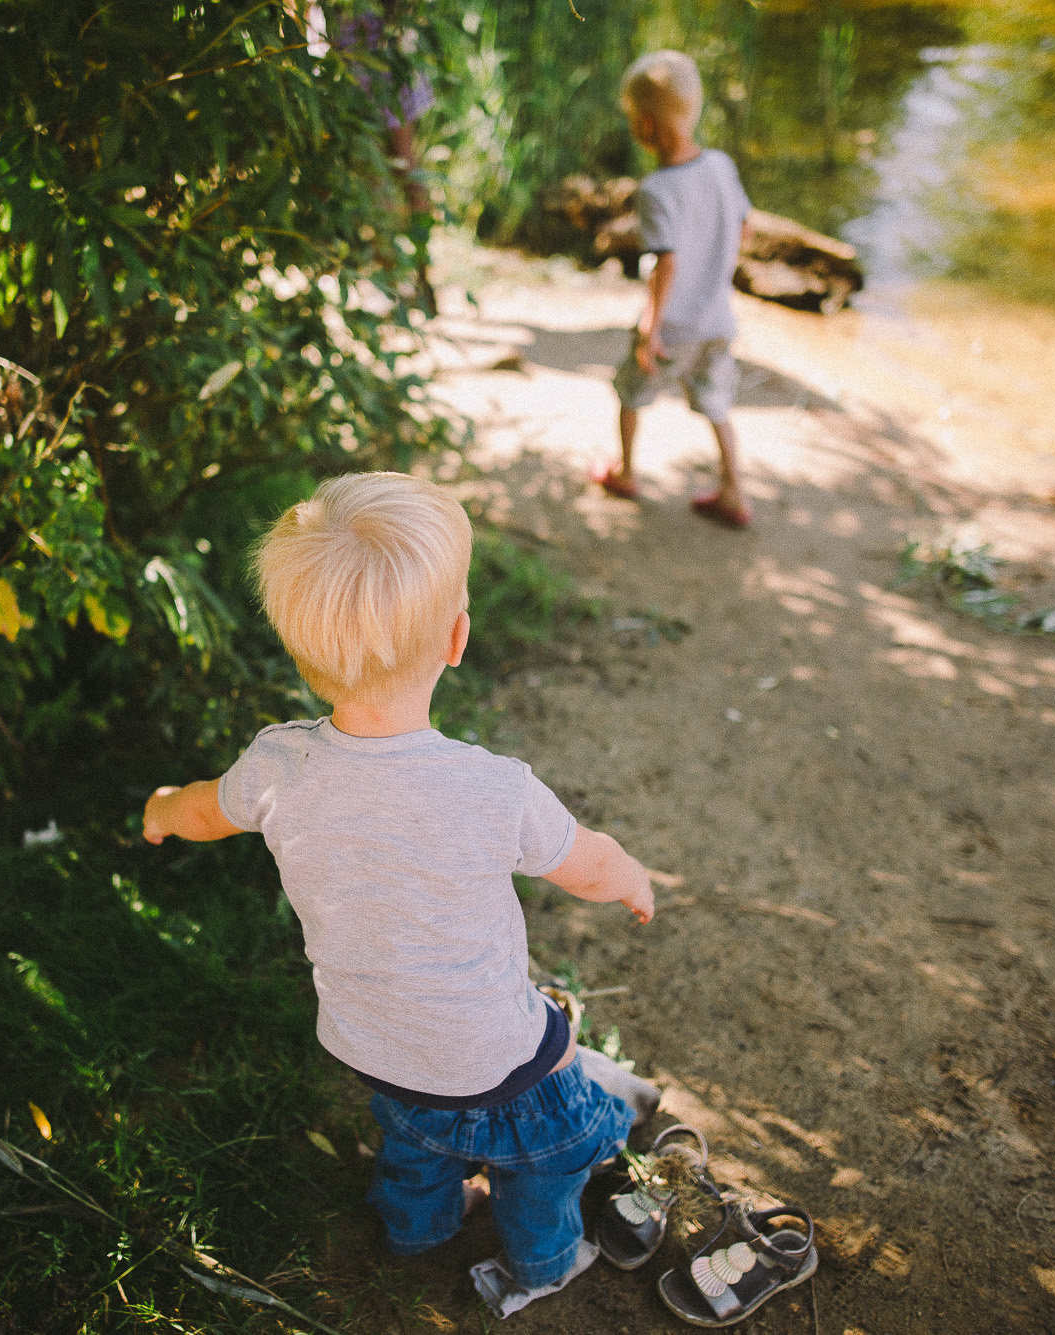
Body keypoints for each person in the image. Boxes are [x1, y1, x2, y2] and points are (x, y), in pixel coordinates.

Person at [142, 472, 660, 1318]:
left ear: (303, 653)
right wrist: (633, 878)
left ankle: (417, 1227)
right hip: (499, 1061)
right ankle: (543, 1260)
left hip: (370, 1044)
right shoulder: (492, 789)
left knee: (416, 1140)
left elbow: (202, 808)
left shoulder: (277, 766)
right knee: (550, 1155)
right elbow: (590, 864)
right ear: (457, 637)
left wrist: (161, 810)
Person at [592, 50, 755, 528]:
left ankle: (624, 473)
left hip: (675, 327)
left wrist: (650, 326)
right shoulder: (722, 165)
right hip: (717, 321)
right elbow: (743, 229)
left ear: (645, 126)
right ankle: (734, 491)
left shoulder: (657, 190)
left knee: (631, 392)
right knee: (717, 405)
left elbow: (666, 262)